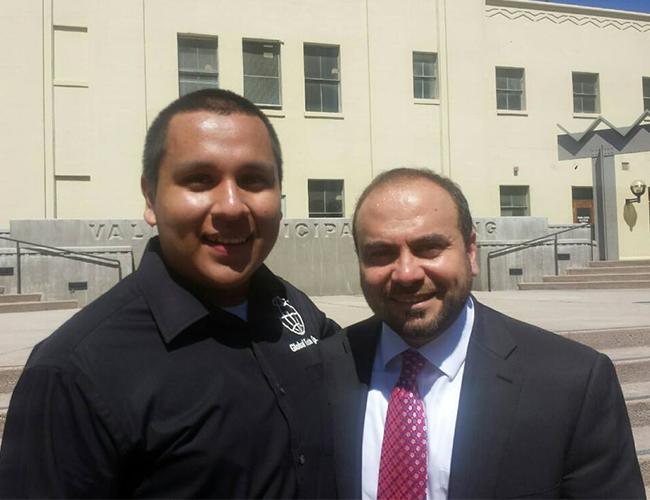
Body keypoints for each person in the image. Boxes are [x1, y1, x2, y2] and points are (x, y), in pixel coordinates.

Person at [0, 89, 339, 498]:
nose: (232, 206)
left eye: (253, 180)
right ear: (150, 197)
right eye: (199, 180)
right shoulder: (70, 375)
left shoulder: (293, 308)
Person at [321, 167, 644, 499]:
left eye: (429, 247)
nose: (406, 273)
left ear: (471, 251)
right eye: (381, 254)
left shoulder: (573, 383)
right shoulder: (318, 371)